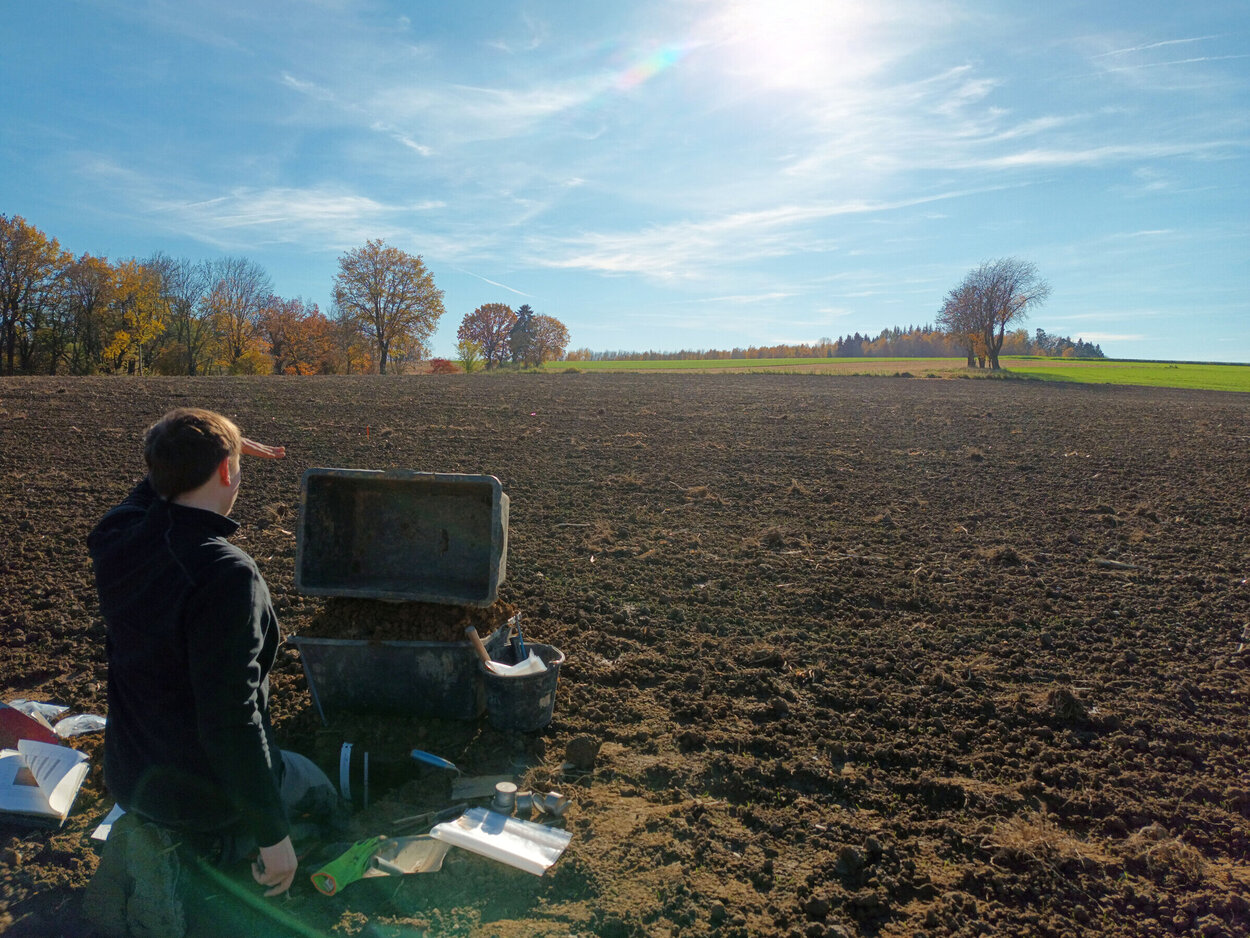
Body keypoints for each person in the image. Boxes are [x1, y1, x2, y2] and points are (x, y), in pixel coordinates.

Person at [84, 407, 345, 933]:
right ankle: (226, 859)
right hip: (204, 794)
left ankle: (162, 840)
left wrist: (198, 453)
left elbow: (152, 490)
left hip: (133, 775)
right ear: (227, 471)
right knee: (319, 791)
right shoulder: (225, 573)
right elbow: (231, 721)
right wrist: (273, 837)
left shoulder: (115, 538)